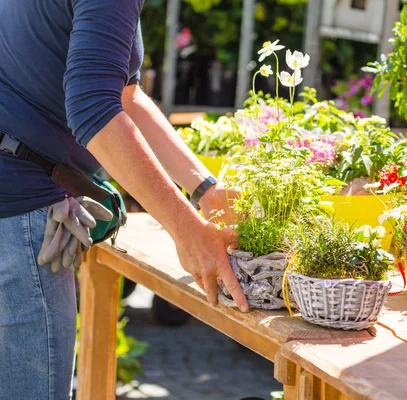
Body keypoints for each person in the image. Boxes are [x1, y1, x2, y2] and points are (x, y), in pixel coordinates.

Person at [0, 1, 248, 398]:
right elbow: (95, 109)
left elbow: (124, 95)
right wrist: (187, 231)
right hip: (14, 211)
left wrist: (204, 189)